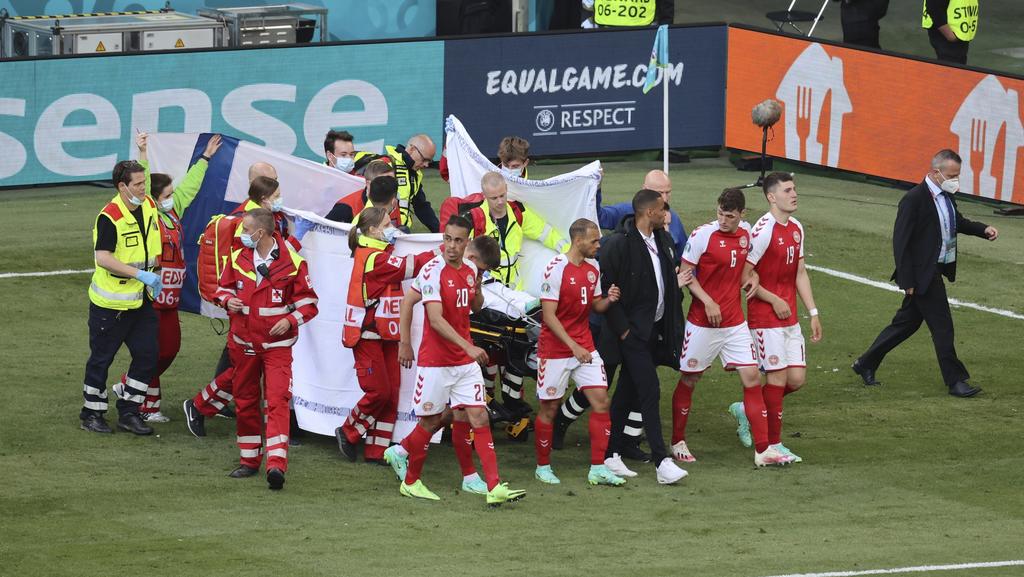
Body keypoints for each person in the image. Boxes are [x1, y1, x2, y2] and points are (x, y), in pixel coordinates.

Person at [383, 216, 526, 505]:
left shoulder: (472, 269)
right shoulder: (433, 271)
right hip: (435, 362)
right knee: (431, 421)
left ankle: (493, 485)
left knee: (477, 416)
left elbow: (475, 304)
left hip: (463, 363)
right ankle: (410, 479)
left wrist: (478, 290)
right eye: (447, 238)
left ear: (467, 242)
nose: (451, 245)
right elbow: (435, 320)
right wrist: (406, 342)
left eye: (458, 240)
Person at [853, 150, 997, 397]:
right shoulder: (914, 199)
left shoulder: (947, 196)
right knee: (943, 327)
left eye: (957, 175)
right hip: (923, 275)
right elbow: (901, 242)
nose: (955, 180)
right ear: (935, 172)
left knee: (905, 325)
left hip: (935, 269)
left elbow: (956, 222)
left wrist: (983, 229)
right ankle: (956, 381)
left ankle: (865, 362)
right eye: (952, 175)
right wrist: (908, 280)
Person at [672, 188, 793, 467]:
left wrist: (752, 278)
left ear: (741, 215)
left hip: (735, 323)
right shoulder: (703, 235)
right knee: (690, 379)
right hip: (703, 322)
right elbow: (684, 273)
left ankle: (763, 451)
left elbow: (747, 267)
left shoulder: (746, 234)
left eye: (729, 216)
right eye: (720, 214)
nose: (723, 220)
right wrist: (707, 301)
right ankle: (677, 440)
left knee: (751, 378)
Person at [115, 131, 221, 423]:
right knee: (154, 351)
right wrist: (144, 153)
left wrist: (205, 159)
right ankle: (146, 406)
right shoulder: (149, 212)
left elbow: (190, 186)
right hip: (151, 295)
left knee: (169, 350)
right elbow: (146, 184)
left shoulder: (174, 211)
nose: (172, 198)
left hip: (170, 296)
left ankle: (128, 384)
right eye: (167, 195)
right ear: (153, 198)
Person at [185, 171, 300, 438]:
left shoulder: (262, 218)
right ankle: (201, 406)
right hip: (250, 312)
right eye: (276, 196)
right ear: (263, 198)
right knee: (243, 371)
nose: (280, 200)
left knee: (244, 371)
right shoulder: (247, 225)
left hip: (260, 311)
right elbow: (253, 265)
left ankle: (202, 406)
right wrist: (295, 242)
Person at [212, 208, 318, 490]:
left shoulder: (294, 263)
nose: (242, 234)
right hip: (243, 343)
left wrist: (289, 320)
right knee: (245, 401)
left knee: (277, 401)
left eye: (246, 230)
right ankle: (249, 461)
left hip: (276, 347)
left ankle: (276, 465)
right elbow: (221, 289)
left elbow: (309, 303)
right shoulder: (237, 257)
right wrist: (227, 301)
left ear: (260, 233)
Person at [726, 173, 823, 463]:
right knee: (778, 378)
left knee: (797, 379)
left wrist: (813, 312)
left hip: (790, 317)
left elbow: (800, 273)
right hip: (765, 317)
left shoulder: (796, 228)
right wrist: (774, 299)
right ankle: (773, 445)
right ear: (771, 197)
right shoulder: (763, 230)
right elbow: (745, 276)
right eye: (788, 190)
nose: (794, 194)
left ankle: (747, 408)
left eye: (795, 189)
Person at [597, 189, 689, 484]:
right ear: (649, 212)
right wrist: (623, 328)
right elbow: (607, 288)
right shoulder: (619, 244)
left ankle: (611, 455)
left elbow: (663, 283)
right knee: (649, 389)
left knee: (626, 393)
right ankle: (662, 461)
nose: (667, 214)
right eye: (662, 209)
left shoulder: (662, 240)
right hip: (631, 333)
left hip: (653, 330)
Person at [335, 207, 438, 464]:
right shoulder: (375, 258)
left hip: (385, 333)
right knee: (379, 392)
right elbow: (407, 267)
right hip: (368, 334)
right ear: (372, 230)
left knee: (392, 393)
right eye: (388, 223)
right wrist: (439, 252)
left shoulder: (376, 252)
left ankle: (376, 450)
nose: (392, 227)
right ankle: (348, 431)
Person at [533, 218, 626, 487]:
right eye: (594, 240)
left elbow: (595, 305)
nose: (599, 244)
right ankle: (543, 466)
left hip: (584, 346)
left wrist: (608, 299)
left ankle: (597, 468)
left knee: (601, 402)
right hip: (555, 351)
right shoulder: (555, 269)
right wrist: (572, 346)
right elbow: (548, 316)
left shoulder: (593, 268)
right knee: (549, 408)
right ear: (578, 241)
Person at [467, 171, 569, 417]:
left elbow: (546, 233)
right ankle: (497, 393)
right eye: (494, 198)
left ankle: (518, 387)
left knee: (528, 314)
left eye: (503, 195)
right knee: (517, 318)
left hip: (510, 288)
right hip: (487, 287)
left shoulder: (517, 213)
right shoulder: (476, 219)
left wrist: (569, 254)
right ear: (485, 196)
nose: (500, 202)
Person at [79, 159, 164, 435]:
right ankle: (91, 413)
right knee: (101, 359)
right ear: (122, 187)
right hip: (111, 304)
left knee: (148, 355)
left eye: (144, 183)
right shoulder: (109, 216)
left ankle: (129, 411)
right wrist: (139, 275)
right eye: (138, 184)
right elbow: (102, 257)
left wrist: (143, 150)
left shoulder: (148, 205)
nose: (143, 188)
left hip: (141, 300)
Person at [597, 170, 686, 258]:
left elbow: (684, 255)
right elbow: (600, 217)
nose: (665, 198)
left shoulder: (674, 218)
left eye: (668, 192)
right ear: (645, 190)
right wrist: (597, 189)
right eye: (660, 192)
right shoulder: (626, 211)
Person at [374, 134, 440, 232]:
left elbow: (421, 206)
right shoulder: (386, 165)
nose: (426, 165)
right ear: (412, 149)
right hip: (379, 231)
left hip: (401, 232)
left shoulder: (414, 174)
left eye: (429, 161)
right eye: (424, 159)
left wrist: (440, 231)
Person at [325, 159, 397, 223]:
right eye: (383, 182)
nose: (390, 186)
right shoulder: (345, 208)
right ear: (369, 184)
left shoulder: (394, 200)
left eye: (392, 181)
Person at [922, 0, 978, 65]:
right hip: (946, 32)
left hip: (959, 32)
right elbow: (934, 8)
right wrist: (950, 36)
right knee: (950, 69)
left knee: (958, 65)